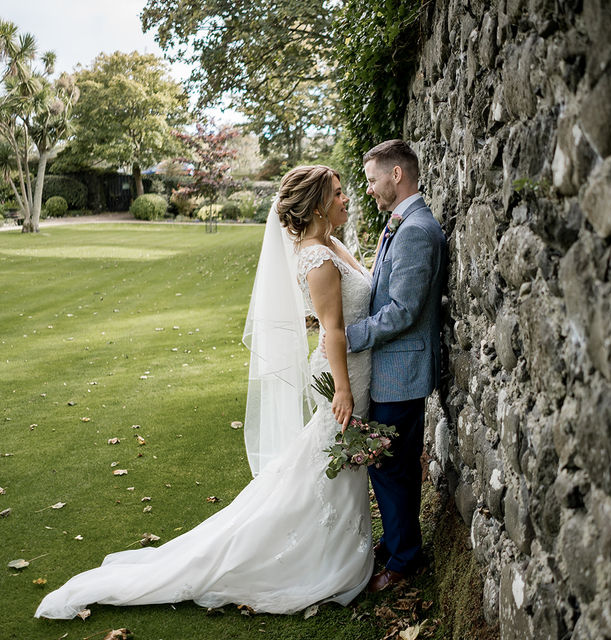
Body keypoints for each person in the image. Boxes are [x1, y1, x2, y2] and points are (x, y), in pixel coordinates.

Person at [35, 166, 375, 619]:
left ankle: (337, 548)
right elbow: (332, 331)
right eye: (338, 194)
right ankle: (320, 559)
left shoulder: (331, 243)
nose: (346, 199)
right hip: (340, 377)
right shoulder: (316, 258)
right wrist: (344, 392)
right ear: (316, 205)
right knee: (334, 463)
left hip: (354, 370)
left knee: (330, 468)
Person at [344, 140, 448, 592]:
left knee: (389, 467)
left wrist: (351, 336)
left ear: (397, 175)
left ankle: (405, 560)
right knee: (389, 464)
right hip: (391, 370)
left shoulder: (416, 230)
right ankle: (398, 542)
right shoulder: (402, 224)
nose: (368, 189)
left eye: (372, 180)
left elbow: (404, 309)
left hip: (400, 374)